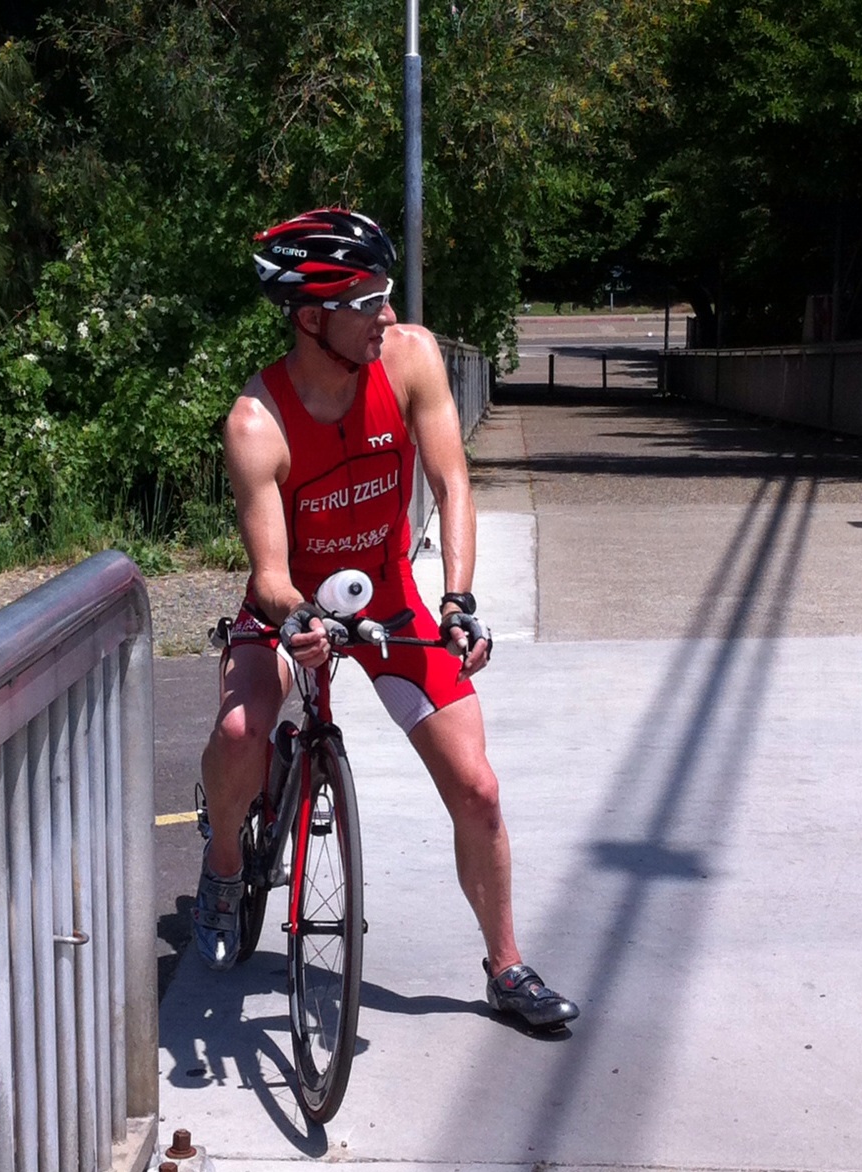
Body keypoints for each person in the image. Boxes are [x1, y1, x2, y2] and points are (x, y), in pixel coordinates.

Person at [194, 207, 578, 1030]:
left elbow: (452, 481)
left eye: (386, 293)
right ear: (310, 318)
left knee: (477, 787)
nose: (387, 314)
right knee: (239, 733)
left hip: (388, 594)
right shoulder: (256, 421)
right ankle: (225, 865)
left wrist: (458, 601)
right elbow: (269, 575)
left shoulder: (411, 357)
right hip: (292, 603)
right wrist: (297, 620)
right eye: (366, 301)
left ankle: (507, 966)